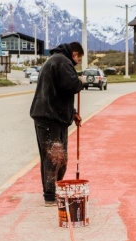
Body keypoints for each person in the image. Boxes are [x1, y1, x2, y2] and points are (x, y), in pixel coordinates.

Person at [30, 42, 84, 206]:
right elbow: (72, 85)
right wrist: (80, 80)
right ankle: (49, 196)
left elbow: (61, 92)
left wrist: (72, 113)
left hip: (55, 116)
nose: (78, 62)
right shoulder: (62, 61)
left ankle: (55, 190)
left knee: (60, 159)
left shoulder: (57, 60)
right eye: (79, 59)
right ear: (74, 54)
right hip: (49, 118)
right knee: (53, 158)